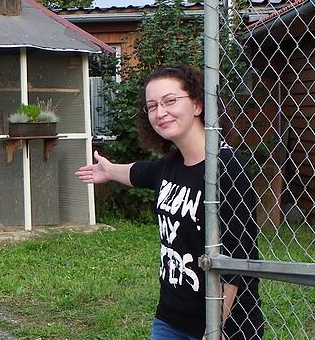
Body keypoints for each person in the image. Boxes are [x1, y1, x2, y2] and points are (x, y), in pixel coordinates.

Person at [75, 66, 264, 340]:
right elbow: (140, 173)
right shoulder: (172, 165)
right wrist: (109, 170)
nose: (159, 112)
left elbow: (237, 256)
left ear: (198, 104)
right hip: (170, 319)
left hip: (225, 325)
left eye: (170, 101)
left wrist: (215, 327)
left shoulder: (228, 169)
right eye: (152, 106)